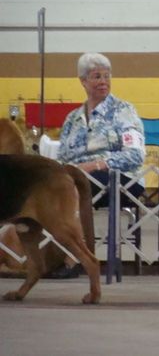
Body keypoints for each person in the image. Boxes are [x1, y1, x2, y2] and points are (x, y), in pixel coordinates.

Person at [53, 52, 145, 277]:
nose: (103, 81)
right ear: (83, 81)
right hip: (76, 177)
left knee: (75, 186)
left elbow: (135, 155)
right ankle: (44, 256)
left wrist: (95, 165)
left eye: (106, 76)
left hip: (120, 178)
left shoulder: (124, 111)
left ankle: (77, 258)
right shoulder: (72, 118)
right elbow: (63, 157)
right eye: (96, 77)